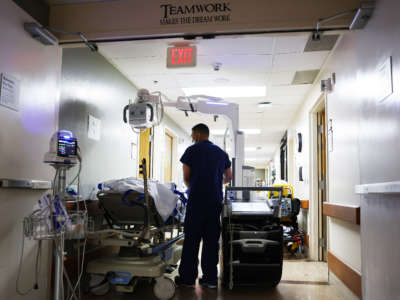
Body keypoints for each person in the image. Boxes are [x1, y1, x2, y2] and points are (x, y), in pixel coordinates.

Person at [175, 123, 232, 289]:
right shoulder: (221, 153)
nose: (192, 138)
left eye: (193, 135)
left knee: (192, 240)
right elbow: (228, 177)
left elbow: (186, 177)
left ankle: (187, 279)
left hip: (196, 201)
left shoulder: (191, 151)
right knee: (211, 240)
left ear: (198, 135)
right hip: (214, 202)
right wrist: (215, 182)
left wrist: (196, 185)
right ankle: (210, 279)